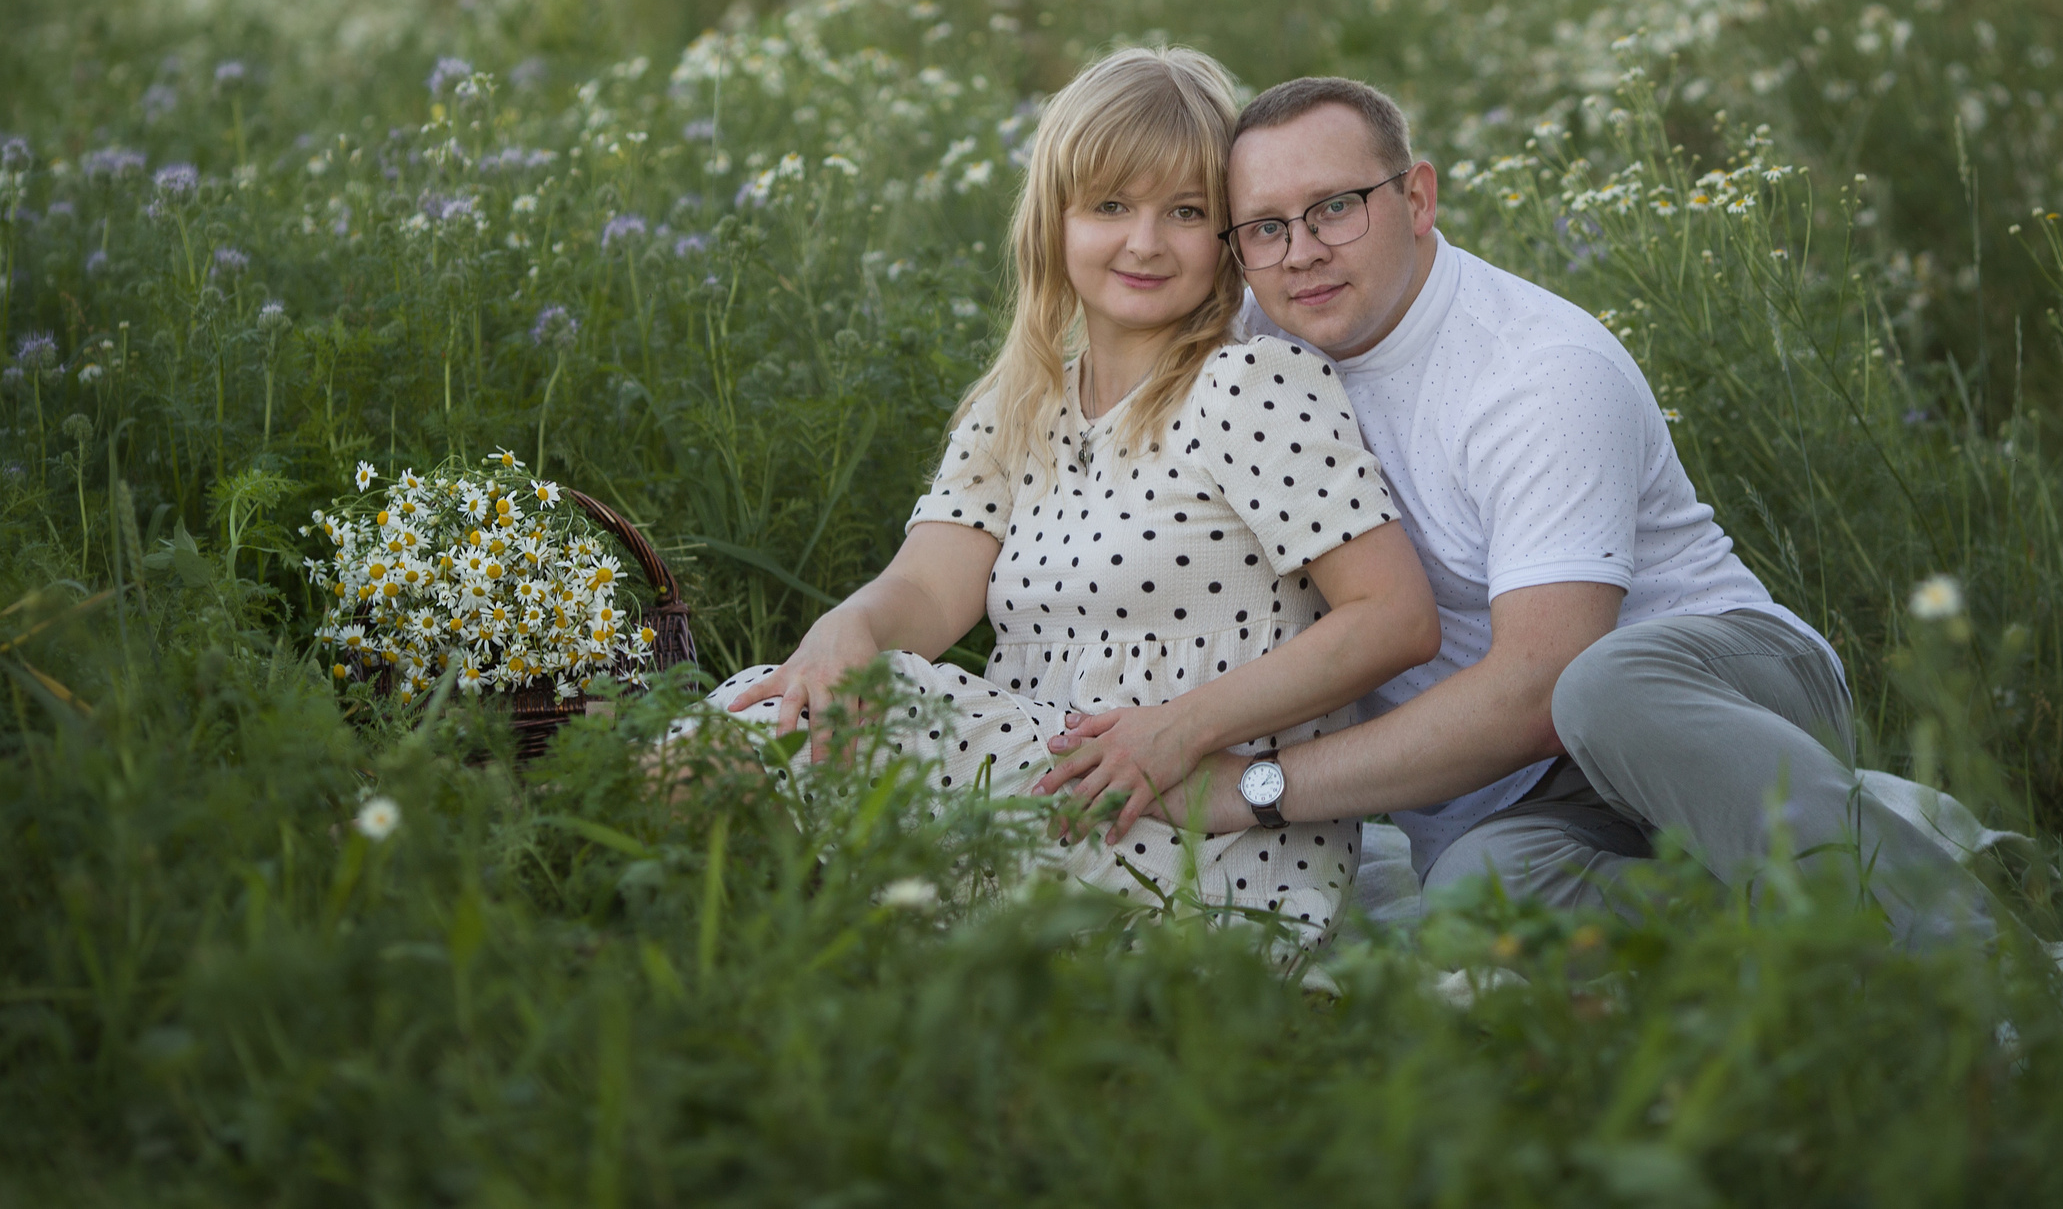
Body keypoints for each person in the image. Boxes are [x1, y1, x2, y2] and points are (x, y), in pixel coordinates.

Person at [1047, 77, 1993, 947]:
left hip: (1711, 692)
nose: (1302, 253)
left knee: (1603, 687)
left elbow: (1544, 687)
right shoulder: (1254, 345)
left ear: (1416, 199)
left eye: (1336, 207)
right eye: (1264, 227)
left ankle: (1981, 967)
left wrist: (1252, 789)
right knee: (1474, 900)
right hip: (1521, 789)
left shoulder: (1535, 370)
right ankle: (1861, 885)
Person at [706, 50, 1440, 945]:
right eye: (1110, 206)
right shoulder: (1017, 402)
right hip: (1043, 791)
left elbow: (1394, 617)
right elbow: (930, 592)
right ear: (1053, 220)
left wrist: (1177, 729)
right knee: (768, 705)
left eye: (1186, 211)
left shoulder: (1255, 384)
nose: (1145, 241)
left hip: (1201, 830)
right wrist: (846, 631)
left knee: (831, 721)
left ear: (1227, 238)